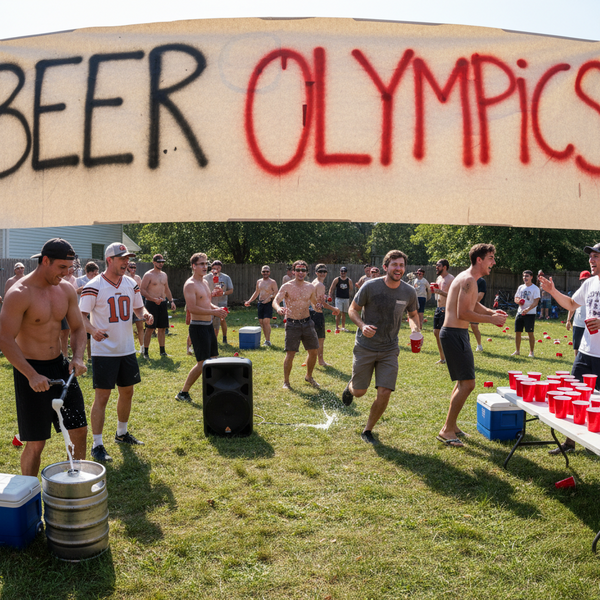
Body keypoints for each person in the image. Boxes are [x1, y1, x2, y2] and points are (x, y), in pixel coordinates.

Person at [0, 238, 88, 476]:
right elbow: (5, 338)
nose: (66, 274)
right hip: (31, 371)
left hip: (60, 368)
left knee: (79, 429)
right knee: (36, 443)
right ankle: (28, 495)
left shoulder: (66, 289)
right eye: (61, 268)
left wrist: (77, 357)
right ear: (45, 261)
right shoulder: (19, 293)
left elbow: (79, 328)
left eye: (70, 269)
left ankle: (76, 483)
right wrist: (31, 375)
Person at [80, 242, 153, 462]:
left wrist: (146, 315)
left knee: (127, 392)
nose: (126, 262)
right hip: (104, 352)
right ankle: (97, 444)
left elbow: (138, 307)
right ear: (109, 260)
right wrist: (93, 330)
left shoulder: (131, 283)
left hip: (127, 349)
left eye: (127, 258)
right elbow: (80, 316)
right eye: (122, 258)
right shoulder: (94, 285)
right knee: (102, 397)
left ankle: (121, 433)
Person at [340, 250, 419, 444]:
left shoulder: (409, 291)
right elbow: (352, 309)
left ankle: (367, 430)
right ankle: (350, 388)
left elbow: (413, 315)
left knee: (384, 392)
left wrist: (416, 329)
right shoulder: (370, 286)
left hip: (389, 349)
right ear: (385, 267)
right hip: (365, 346)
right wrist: (362, 325)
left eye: (401, 265)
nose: (398, 268)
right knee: (360, 392)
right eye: (394, 265)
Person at [437, 244, 507, 447]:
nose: (493, 262)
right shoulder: (469, 280)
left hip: (455, 333)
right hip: (454, 334)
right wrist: (492, 321)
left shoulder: (468, 278)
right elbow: (463, 313)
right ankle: (447, 430)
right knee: (468, 384)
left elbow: (473, 305)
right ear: (479, 259)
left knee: (462, 382)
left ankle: (453, 426)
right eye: (491, 258)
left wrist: (491, 313)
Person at [540, 246, 600, 455]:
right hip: (585, 352)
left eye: (596, 256)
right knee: (574, 395)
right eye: (590, 257)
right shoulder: (590, 283)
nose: (591, 260)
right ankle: (570, 442)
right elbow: (571, 304)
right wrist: (552, 291)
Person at [176, 253, 227, 402]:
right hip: (198, 327)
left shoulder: (205, 282)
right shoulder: (190, 284)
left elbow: (206, 302)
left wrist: (218, 310)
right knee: (202, 363)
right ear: (194, 266)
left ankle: (213, 390)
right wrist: (213, 312)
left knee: (213, 359)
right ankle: (183, 393)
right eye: (202, 264)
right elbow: (192, 308)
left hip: (208, 325)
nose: (205, 267)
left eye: (206, 264)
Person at [273, 260, 321, 390]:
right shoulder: (287, 286)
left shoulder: (310, 287)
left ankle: (309, 376)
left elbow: (314, 304)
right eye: (298, 270)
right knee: (290, 354)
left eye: (303, 270)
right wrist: (278, 308)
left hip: (307, 322)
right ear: (293, 271)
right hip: (292, 323)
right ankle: (286, 382)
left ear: (306, 272)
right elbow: (275, 300)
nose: (301, 272)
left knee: (313, 351)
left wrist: (318, 306)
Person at [302, 264, 340, 367]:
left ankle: (307, 360)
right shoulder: (320, 285)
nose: (322, 273)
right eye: (320, 271)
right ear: (316, 272)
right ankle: (321, 361)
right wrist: (334, 309)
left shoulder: (313, 283)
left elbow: (316, 298)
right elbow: (322, 304)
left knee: (313, 338)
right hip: (317, 314)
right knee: (320, 339)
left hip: (310, 312)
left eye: (324, 271)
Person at [140, 253, 176, 358]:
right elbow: (142, 290)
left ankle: (162, 351)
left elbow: (167, 289)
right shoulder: (148, 275)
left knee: (162, 328)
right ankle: (145, 352)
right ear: (154, 262)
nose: (161, 264)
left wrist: (171, 301)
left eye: (162, 262)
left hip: (163, 303)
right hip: (151, 304)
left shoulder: (164, 275)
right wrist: (153, 299)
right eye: (159, 262)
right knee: (150, 328)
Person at [245, 265, 278, 346]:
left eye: (267, 271)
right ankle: (266, 340)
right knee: (261, 323)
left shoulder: (272, 282)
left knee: (266, 322)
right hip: (260, 303)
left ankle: (268, 340)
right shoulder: (259, 281)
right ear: (261, 272)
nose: (265, 273)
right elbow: (256, 292)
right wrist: (249, 301)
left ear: (269, 272)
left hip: (268, 303)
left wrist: (269, 298)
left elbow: (276, 293)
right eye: (264, 271)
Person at [512, 270, 540, 358]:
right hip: (520, 312)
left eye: (527, 276)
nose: (525, 278)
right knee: (517, 332)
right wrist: (518, 301)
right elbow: (516, 298)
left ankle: (531, 352)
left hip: (530, 313)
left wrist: (528, 309)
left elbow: (536, 302)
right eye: (524, 276)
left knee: (530, 332)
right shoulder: (521, 287)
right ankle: (517, 351)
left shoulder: (535, 288)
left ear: (531, 277)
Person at [204, 260, 233, 344]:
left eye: (218, 268)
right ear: (211, 268)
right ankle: (212, 339)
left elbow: (231, 290)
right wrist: (210, 294)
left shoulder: (226, 277)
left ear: (221, 268)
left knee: (222, 319)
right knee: (210, 320)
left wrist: (223, 293)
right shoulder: (206, 277)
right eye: (214, 268)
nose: (216, 270)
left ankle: (224, 337)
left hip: (221, 302)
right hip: (210, 301)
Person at [76, 261, 100, 361]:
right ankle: (80, 356)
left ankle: (91, 356)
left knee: (93, 333)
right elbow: (75, 291)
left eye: (96, 273)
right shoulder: (79, 280)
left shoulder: (98, 281)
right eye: (93, 273)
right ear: (88, 272)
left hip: (95, 310)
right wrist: (83, 288)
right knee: (83, 334)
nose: (95, 275)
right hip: (82, 310)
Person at [566, 270, 591, 360]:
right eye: (582, 281)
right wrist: (568, 320)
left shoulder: (594, 291)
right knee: (576, 345)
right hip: (578, 323)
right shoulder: (578, 292)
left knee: (589, 346)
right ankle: (576, 361)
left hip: (590, 324)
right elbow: (572, 307)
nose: (584, 282)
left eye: (586, 280)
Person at [432, 259, 454, 364]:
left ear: (444, 267)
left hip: (447, 309)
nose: (436, 267)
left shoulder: (451, 279)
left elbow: (454, 296)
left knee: (446, 334)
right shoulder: (438, 278)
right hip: (438, 308)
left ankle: (451, 357)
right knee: (436, 332)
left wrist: (441, 292)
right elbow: (437, 295)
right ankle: (442, 358)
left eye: (438, 265)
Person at [126, 261, 144, 353]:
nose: (133, 269)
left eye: (134, 267)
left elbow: (139, 292)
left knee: (140, 327)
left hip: (136, 304)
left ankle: (142, 348)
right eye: (131, 267)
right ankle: (129, 348)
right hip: (127, 306)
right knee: (127, 328)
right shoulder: (124, 278)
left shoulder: (137, 278)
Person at [329, 266, 354, 332]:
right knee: (338, 312)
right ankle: (337, 327)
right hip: (338, 298)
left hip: (346, 298)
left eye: (344, 271)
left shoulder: (349, 280)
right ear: (340, 272)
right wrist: (330, 296)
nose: (343, 273)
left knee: (344, 313)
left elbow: (351, 289)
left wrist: (350, 297)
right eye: (341, 271)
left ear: (346, 272)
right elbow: (332, 288)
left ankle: (343, 327)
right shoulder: (337, 279)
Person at [470, 277, 487, 352]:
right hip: (465, 307)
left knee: (474, 326)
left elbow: (480, 296)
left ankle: (479, 345)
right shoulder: (468, 279)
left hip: (475, 307)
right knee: (462, 326)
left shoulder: (481, 281)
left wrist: (470, 305)